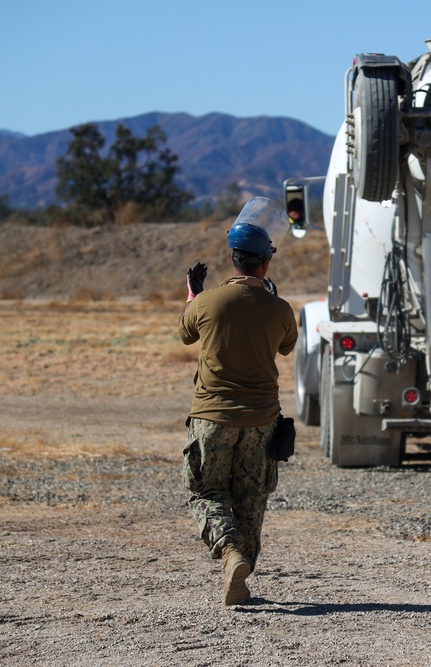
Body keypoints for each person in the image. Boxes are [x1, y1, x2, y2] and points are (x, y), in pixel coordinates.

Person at [178, 197, 298, 605]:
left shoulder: (207, 302)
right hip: (262, 420)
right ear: (265, 263)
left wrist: (194, 294)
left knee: (206, 491)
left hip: (212, 417)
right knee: (251, 497)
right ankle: (242, 576)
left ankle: (230, 556)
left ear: (233, 258)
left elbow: (186, 333)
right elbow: (285, 346)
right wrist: (270, 297)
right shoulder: (280, 309)